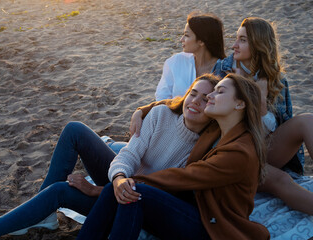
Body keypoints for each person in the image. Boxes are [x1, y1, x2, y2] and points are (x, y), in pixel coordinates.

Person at [0, 74, 220, 240]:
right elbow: (129, 154)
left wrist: (97, 191)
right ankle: (40, 215)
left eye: (204, 98)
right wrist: (114, 179)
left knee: (60, 190)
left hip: (136, 201)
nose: (194, 101)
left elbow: (167, 189)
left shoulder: (207, 145)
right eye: (192, 93)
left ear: (215, 107)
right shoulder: (161, 115)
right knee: (75, 129)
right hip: (121, 182)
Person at [131, 17, 313, 215]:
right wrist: (144, 109)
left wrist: (261, 104)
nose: (234, 45)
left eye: (242, 40)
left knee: (307, 121)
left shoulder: (275, 79)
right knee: (279, 180)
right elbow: (190, 99)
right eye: (236, 38)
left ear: (259, 44)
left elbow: (281, 125)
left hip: (263, 144)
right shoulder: (223, 70)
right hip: (229, 149)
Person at [77, 74, 270, 240]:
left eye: (219, 92)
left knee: (132, 192)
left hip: (213, 228)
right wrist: (142, 110)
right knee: (124, 190)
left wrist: (114, 186)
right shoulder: (217, 129)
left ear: (239, 104)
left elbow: (185, 176)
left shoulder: (240, 152)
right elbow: (179, 102)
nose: (210, 96)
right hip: (200, 212)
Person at [155, 12, 225, 100]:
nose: (181, 39)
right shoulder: (175, 61)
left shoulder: (224, 69)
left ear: (201, 41)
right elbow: (162, 97)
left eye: (186, 35)